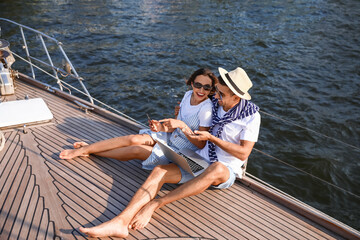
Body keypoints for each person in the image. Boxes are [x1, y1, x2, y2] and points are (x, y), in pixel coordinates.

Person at [78, 66, 261, 238]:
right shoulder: (216, 102)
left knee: (218, 168)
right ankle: (120, 222)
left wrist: (212, 139)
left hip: (224, 170)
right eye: (217, 91)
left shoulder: (251, 117)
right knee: (159, 171)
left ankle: (156, 203)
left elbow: (244, 153)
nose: (216, 96)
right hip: (200, 159)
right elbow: (195, 111)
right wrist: (177, 117)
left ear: (237, 98)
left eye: (220, 94)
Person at [59, 68, 217, 168]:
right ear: (192, 84)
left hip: (182, 151)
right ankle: (88, 148)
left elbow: (201, 144)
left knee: (136, 149)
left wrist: (182, 125)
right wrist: (161, 127)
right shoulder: (187, 95)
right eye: (198, 85)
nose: (201, 90)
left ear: (211, 90)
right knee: (134, 139)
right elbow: (174, 125)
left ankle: (91, 151)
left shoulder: (206, 109)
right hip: (170, 136)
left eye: (206, 87)